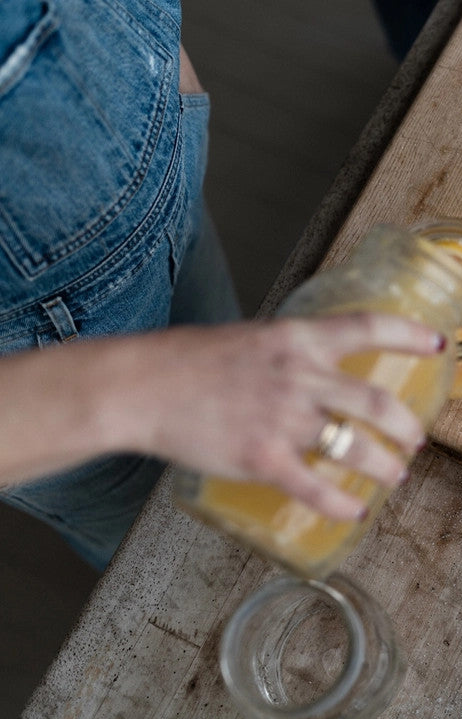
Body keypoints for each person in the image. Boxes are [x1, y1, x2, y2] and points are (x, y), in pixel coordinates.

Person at [0, 0, 439, 571]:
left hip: (158, 143)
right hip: (50, 365)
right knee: (167, 545)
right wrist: (146, 391)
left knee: (240, 382)